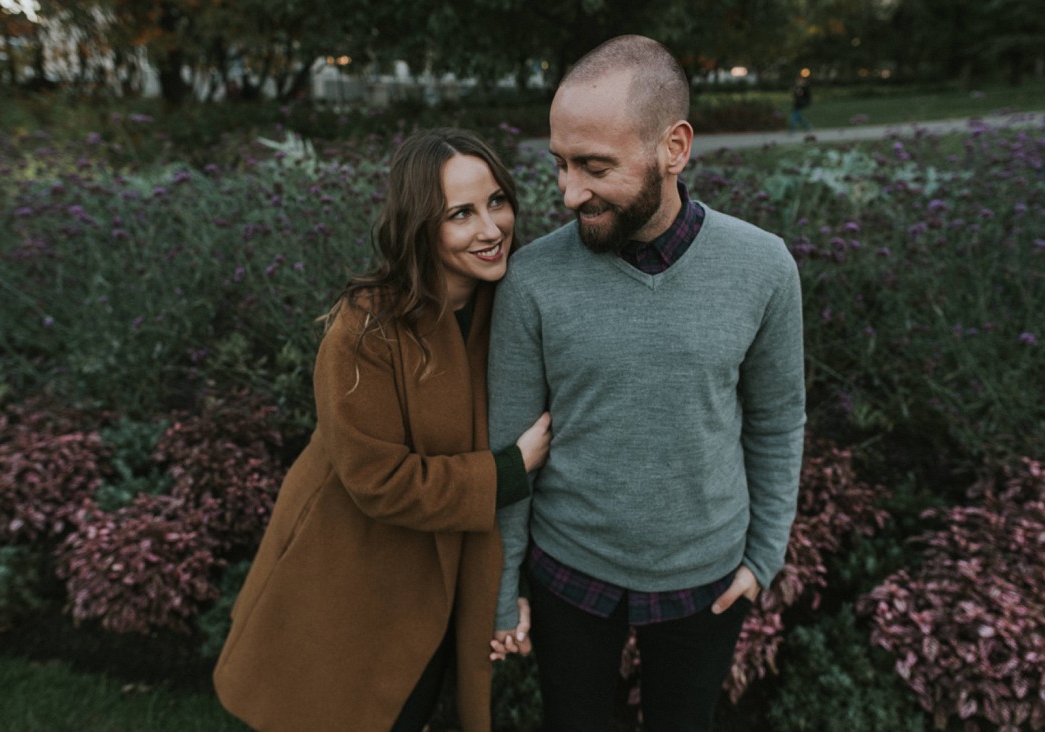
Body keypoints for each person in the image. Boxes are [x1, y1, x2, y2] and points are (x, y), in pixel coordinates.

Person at [488, 36, 806, 732]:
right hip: (569, 573)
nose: (569, 192)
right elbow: (507, 451)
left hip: (708, 580)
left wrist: (765, 556)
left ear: (674, 147)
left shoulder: (764, 268)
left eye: (594, 166)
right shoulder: (531, 280)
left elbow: (779, 420)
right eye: (561, 164)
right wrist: (503, 587)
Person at [213, 127, 552, 732]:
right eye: (460, 214)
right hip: (352, 570)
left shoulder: (514, 313)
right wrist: (508, 469)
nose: (491, 228)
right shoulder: (367, 326)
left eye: (497, 201)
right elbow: (377, 479)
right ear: (420, 226)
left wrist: (506, 590)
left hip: (447, 574)